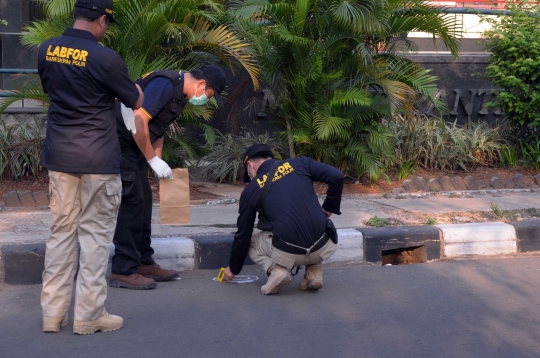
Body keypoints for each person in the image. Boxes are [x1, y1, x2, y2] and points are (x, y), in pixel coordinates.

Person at [38, 0, 144, 334]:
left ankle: (52, 314)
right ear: (101, 20)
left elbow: (56, 90)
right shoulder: (106, 58)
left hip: (60, 156)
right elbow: (135, 100)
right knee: (95, 236)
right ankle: (88, 314)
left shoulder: (46, 50)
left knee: (61, 233)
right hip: (98, 159)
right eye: (106, 24)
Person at [109, 65, 227, 290]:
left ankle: (143, 262)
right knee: (132, 203)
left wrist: (157, 164)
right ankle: (123, 270)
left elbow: (157, 128)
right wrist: (152, 160)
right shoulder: (166, 84)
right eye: (209, 95)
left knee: (143, 203)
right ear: (202, 85)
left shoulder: (180, 94)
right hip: (120, 141)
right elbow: (139, 120)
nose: (205, 100)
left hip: (134, 145)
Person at [223, 144, 344, 295]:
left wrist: (233, 268)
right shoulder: (301, 163)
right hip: (324, 246)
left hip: (288, 253)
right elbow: (337, 176)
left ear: (250, 165)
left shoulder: (251, 189)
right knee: (311, 222)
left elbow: (243, 235)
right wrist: (328, 208)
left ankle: (277, 271)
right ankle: (314, 272)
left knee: (251, 241)